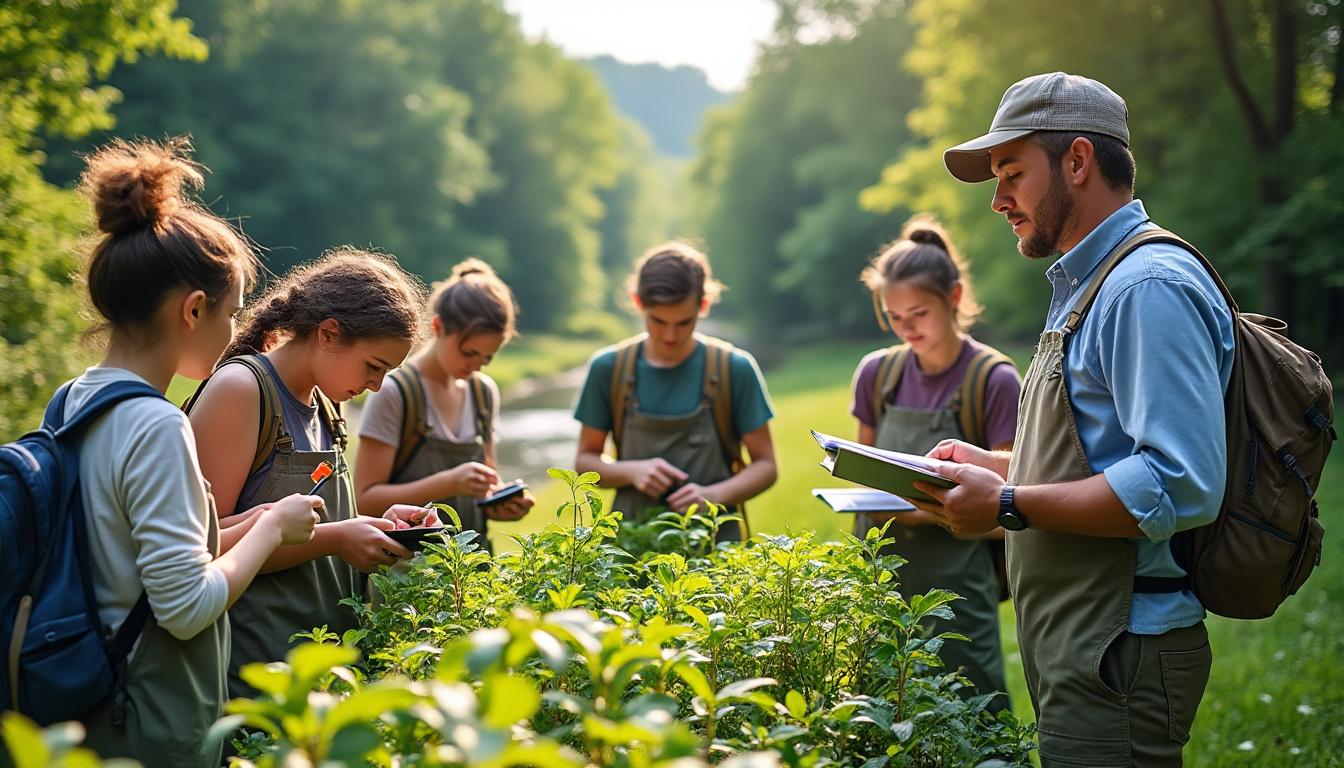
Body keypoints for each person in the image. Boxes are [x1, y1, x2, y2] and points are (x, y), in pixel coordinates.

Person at [924, 72, 1234, 766]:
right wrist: (994, 467)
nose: (999, 201)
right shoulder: (1089, 283)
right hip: (1088, 640)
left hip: (1120, 646)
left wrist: (1004, 503)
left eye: (1011, 174)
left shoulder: (1145, 286)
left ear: (1077, 161)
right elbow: (1098, 454)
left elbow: (1178, 483)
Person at [69, 138, 321, 766]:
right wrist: (272, 529)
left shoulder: (75, 399)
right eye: (233, 314)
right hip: (147, 714)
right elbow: (184, 608)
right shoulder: (156, 425)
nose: (235, 333)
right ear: (193, 309)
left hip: (81, 691)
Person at [186, 247, 434, 699]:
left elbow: (323, 520)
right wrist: (338, 539)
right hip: (255, 677)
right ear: (327, 334)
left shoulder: (326, 403)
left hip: (326, 673)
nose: (376, 386)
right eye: (373, 367)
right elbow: (202, 547)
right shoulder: (241, 390)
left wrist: (381, 526)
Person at [849, 216, 1020, 713]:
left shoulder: (995, 379)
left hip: (958, 587)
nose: (907, 328)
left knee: (974, 710)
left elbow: (1014, 502)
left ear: (954, 297)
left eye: (918, 313)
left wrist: (919, 508)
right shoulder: (877, 374)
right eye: (894, 316)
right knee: (883, 713)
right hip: (881, 575)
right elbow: (861, 469)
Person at [573, 242, 777, 539]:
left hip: (717, 549)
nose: (670, 335)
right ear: (638, 302)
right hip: (630, 547)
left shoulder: (734, 368)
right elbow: (585, 462)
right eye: (658, 321)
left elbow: (766, 465)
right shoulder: (609, 368)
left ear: (703, 305)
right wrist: (633, 472)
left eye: (684, 322)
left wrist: (713, 496)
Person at [355, 259, 534, 545]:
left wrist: (499, 503)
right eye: (468, 352)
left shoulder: (483, 393)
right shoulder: (394, 392)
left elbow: (486, 484)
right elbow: (365, 502)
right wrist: (448, 483)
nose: (476, 366)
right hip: (408, 575)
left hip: (473, 569)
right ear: (438, 326)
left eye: (487, 358)